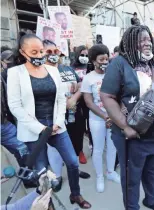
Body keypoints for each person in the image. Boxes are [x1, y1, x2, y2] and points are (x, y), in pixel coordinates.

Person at [7, 34, 91, 208]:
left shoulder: (53, 70)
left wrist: (58, 122)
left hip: (57, 125)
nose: (39, 55)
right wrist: (40, 128)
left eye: (41, 51)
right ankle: (46, 202)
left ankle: (75, 194)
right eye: (34, 52)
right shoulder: (15, 73)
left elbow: (61, 99)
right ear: (23, 52)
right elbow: (15, 106)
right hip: (33, 129)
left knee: (73, 163)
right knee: (42, 171)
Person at [100, 25, 154, 210]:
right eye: (141, 40)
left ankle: (151, 199)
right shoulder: (119, 64)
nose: (147, 43)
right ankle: (132, 206)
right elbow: (107, 97)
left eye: (148, 39)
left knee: (153, 171)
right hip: (134, 135)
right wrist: (125, 127)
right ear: (129, 42)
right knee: (131, 176)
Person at [42, 40, 91, 192]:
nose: (53, 55)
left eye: (55, 51)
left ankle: (74, 169)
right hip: (53, 117)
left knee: (75, 142)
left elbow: (80, 85)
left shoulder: (67, 68)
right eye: (48, 52)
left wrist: (74, 98)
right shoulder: (40, 72)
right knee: (54, 147)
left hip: (74, 114)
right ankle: (56, 176)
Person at [81, 44, 120, 193]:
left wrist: (114, 115)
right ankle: (99, 176)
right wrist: (105, 116)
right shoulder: (88, 78)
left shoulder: (113, 74)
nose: (105, 62)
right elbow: (89, 102)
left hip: (113, 118)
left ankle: (110, 172)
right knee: (97, 149)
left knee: (112, 146)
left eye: (106, 58)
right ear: (93, 61)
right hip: (97, 119)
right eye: (101, 59)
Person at [71, 45, 90, 164]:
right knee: (78, 128)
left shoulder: (90, 67)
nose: (85, 57)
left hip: (90, 101)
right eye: (82, 55)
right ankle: (79, 151)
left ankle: (92, 146)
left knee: (91, 127)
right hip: (77, 102)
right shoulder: (71, 68)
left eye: (87, 55)